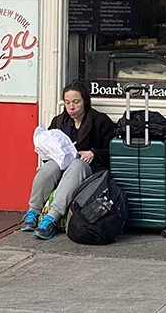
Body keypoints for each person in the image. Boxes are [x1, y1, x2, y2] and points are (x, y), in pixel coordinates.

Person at [22, 80, 116, 240]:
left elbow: (113, 149)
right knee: (50, 167)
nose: (71, 107)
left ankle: (51, 218)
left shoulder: (100, 121)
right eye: (67, 103)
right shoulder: (59, 122)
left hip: (90, 168)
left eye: (76, 102)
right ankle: (33, 211)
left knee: (77, 164)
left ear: (85, 101)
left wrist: (94, 153)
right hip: (62, 167)